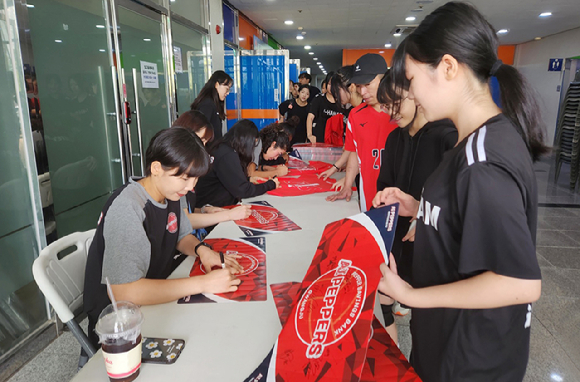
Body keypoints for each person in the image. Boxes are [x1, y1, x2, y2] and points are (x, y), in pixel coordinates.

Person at [375, 3, 547, 381]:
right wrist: (419, 207)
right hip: (446, 343)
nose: (413, 93)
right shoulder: (471, 144)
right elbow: (467, 220)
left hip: (470, 360)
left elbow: (519, 283)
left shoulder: (482, 160)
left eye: (413, 78)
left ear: (449, 68)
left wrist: (410, 294)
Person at [84, 128, 243, 350]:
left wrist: (203, 251)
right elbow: (124, 293)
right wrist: (203, 283)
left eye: (195, 178)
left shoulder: (170, 193)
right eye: (185, 178)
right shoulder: (128, 206)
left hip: (155, 294)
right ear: (156, 168)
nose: (191, 187)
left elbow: (180, 235)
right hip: (120, 322)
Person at [375, 66, 458, 332]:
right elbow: (385, 184)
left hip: (433, 250)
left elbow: (458, 203)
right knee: (386, 303)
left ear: (415, 92)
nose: (389, 112)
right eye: (385, 106)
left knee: (425, 325)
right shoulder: (394, 138)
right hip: (396, 243)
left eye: (393, 103)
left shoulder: (448, 137)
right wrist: (383, 197)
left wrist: (423, 214)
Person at [326, 54, 397, 212]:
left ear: (384, 79)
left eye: (367, 84)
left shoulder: (401, 114)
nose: (363, 91)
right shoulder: (355, 115)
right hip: (368, 195)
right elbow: (354, 152)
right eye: (358, 86)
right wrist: (347, 185)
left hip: (398, 195)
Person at [172, 111, 251, 240]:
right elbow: (184, 221)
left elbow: (182, 211)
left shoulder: (187, 167)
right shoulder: (175, 170)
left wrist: (204, 210)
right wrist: (229, 215)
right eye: (200, 140)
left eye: (205, 142)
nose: (202, 147)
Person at [194, 119, 280, 209]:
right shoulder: (227, 154)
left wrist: (248, 179)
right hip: (212, 209)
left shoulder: (221, 147)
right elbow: (243, 190)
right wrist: (270, 185)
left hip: (210, 204)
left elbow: (227, 177)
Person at [319, 66, 362, 189]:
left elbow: (365, 153)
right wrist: (335, 167)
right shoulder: (353, 112)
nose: (336, 97)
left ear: (351, 87)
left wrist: (348, 177)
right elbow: (351, 148)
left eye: (337, 91)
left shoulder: (363, 112)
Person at [191, 70, 233, 140]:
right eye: (227, 89)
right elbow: (201, 132)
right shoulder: (207, 104)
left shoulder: (214, 103)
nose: (227, 93)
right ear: (216, 85)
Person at [307, 73, 341, 144]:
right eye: (329, 84)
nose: (332, 87)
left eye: (334, 84)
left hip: (336, 141)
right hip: (318, 139)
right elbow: (310, 117)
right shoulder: (319, 99)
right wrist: (309, 135)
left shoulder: (342, 101)